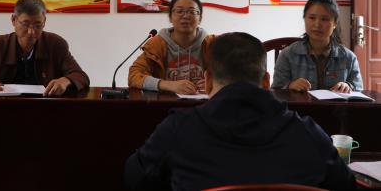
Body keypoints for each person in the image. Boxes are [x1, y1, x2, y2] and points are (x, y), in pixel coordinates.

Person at [124, 32, 357, 191]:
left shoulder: (179, 128)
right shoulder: (307, 132)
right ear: (266, 81)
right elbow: (345, 184)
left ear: (207, 81)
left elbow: (134, 179)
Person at [0, 0, 89, 97]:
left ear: (44, 22)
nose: (31, 32)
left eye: (37, 25)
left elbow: (81, 76)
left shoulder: (56, 45)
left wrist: (66, 80)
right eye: (25, 24)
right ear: (13, 20)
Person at [273, 0, 362, 92]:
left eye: (324, 19)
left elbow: (358, 90)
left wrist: (348, 86)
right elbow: (276, 90)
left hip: (335, 103)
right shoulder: (288, 55)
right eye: (312, 18)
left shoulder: (349, 58)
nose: (317, 24)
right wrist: (290, 86)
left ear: (335, 23)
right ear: (304, 19)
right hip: (299, 103)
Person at [127, 0, 215, 94]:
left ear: (200, 18)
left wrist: (214, 83)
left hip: (206, 102)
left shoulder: (213, 44)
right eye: (179, 11)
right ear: (170, 17)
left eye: (192, 12)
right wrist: (168, 85)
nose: (185, 16)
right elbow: (134, 76)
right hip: (165, 102)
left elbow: (230, 74)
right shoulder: (157, 45)